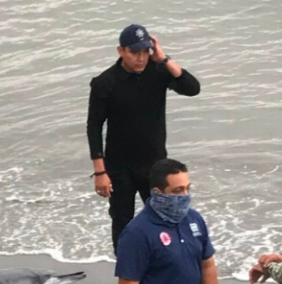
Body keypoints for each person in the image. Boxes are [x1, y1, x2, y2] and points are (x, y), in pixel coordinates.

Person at [86, 24, 200, 252]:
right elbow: (94, 127)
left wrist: (163, 58)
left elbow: (192, 88)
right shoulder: (104, 83)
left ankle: (163, 268)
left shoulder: (158, 72)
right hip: (119, 168)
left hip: (155, 166)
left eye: (145, 52)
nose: (140, 59)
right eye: (134, 53)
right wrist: (100, 172)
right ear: (121, 51)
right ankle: (127, 280)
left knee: (165, 219)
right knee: (123, 223)